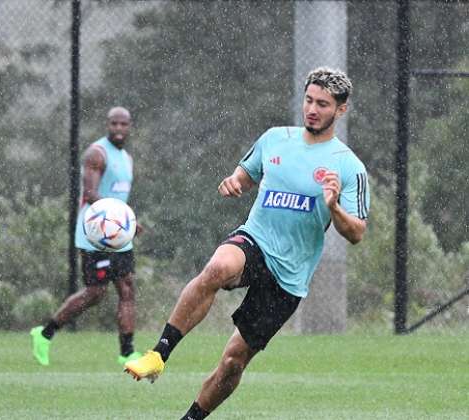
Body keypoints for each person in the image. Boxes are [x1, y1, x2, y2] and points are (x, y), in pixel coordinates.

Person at [124, 67, 369, 420]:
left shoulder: (349, 167)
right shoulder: (274, 139)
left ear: (341, 110)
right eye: (309, 100)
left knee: (233, 363)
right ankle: (158, 354)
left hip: (290, 276)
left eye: (323, 104)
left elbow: (356, 233)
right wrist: (234, 182)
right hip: (256, 239)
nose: (312, 109)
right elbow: (245, 174)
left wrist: (333, 206)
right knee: (218, 267)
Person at [30, 106, 143, 366]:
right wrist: (123, 217)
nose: (118, 128)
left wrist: (127, 223)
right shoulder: (97, 153)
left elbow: (118, 197)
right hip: (95, 235)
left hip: (118, 234)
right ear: (107, 124)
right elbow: (90, 194)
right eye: (113, 123)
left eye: (123, 124)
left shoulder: (127, 158)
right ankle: (45, 333)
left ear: (129, 127)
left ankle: (127, 353)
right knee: (95, 293)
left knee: (127, 289)